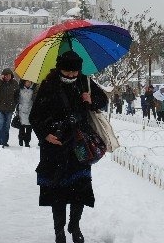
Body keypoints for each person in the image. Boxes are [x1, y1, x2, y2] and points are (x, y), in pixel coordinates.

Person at [30, 50, 108, 243]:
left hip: (79, 145)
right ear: (60, 69)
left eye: (75, 72)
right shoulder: (48, 84)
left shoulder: (85, 82)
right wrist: (45, 134)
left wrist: (91, 100)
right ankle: (59, 231)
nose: (71, 76)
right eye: (67, 72)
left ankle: (75, 226)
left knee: (79, 190)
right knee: (57, 193)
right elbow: (35, 116)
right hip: (54, 146)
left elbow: (103, 101)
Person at [0, 68, 20, 148]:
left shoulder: (14, 83)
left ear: (11, 75)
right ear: (3, 75)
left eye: (9, 75)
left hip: (9, 108)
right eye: (6, 75)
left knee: (6, 126)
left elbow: (17, 95)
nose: (7, 77)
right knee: (1, 124)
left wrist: (15, 103)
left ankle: (5, 141)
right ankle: (0, 141)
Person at [18, 79, 36, 147]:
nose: (28, 83)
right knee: (22, 127)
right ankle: (21, 139)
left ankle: (27, 142)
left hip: (30, 110)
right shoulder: (20, 90)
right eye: (27, 81)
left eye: (30, 82)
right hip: (22, 110)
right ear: (24, 82)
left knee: (29, 128)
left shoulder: (33, 90)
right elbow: (16, 99)